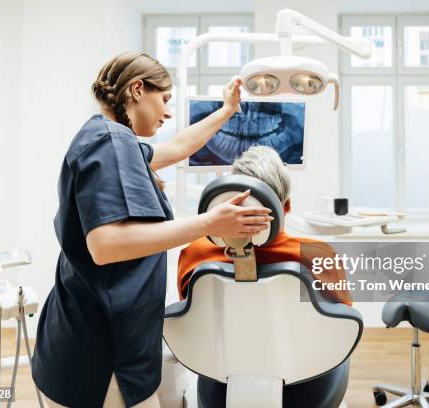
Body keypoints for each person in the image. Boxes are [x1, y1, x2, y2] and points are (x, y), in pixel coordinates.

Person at [31, 52, 273, 408]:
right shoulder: (111, 141)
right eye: (165, 99)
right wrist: (211, 223)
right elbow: (106, 245)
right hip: (99, 355)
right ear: (137, 89)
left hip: (81, 334)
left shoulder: (112, 140)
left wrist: (227, 110)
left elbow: (176, 148)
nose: (169, 112)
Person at [177, 145, 353, 306]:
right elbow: (340, 323)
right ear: (287, 206)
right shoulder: (321, 257)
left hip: (217, 342)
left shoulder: (194, 254)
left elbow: (192, 321)